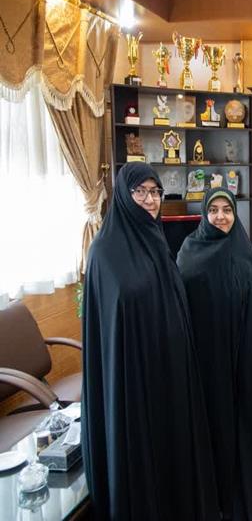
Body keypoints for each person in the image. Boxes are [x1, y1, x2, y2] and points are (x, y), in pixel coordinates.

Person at [81, 162, 218, 520]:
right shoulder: (104, 253)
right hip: (132, 377)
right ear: (124, 197)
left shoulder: (156, 240)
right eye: (139, 191)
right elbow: (111, 323)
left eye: (155, 191)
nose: (150, 200)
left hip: (167, 371)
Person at [177, 188, 252, 519]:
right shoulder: (189, 250)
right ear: (204, 213)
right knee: (214, 426)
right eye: (214, 210)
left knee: (245, 426)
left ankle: (247, 494)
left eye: (227, 210)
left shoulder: (244, 251)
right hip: (208, 361)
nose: (221, 216)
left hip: (244, 356)